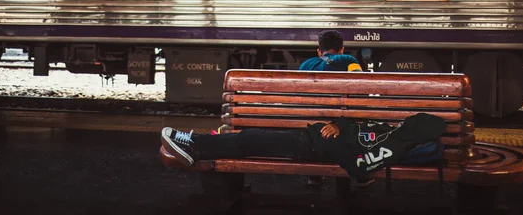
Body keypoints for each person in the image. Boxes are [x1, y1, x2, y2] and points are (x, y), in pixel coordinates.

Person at [160, 113, 446, 180]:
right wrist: (337, 125)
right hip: (309, 137)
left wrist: (331, 142)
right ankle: (196, 146)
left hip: (311, 147)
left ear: (416, 132)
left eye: (412, 123)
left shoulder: (394, 146)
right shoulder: (392, 131)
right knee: (251, 138)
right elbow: (355, 124)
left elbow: (358, 167)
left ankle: (194, 144)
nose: (405, 122)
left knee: (251, 139)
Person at [298, 29, 362, 186]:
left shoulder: (306, 64)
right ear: (342, 49)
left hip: (310, 127)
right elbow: (361, 87)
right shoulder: (348, 59)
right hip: (335, 128)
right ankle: (359, 175)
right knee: (352, 121)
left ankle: (315, 174)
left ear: (319, 51)